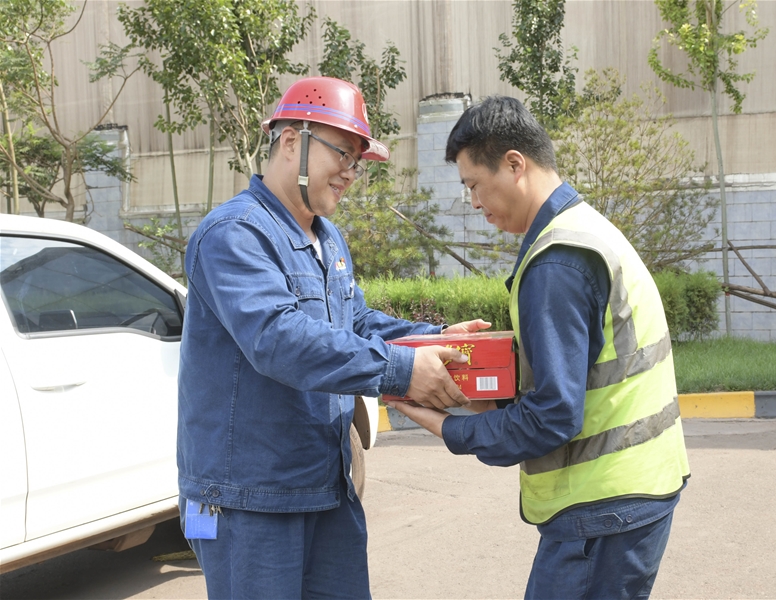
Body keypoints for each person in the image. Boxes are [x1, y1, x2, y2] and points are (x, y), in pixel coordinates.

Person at [177, 76, 490, 599]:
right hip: (249, 500)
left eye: (357, 161)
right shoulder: (234, 234)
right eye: (342, 153)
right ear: (291, 141)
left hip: (325, 485)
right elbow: (278, 339)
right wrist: (401, 370)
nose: (350, 172)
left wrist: (432, 339)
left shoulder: (326, 237)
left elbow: (355, 322)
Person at [386, 96, 691, 600]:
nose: (473, 202)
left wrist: (450, 427)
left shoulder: (556, 262)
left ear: (514, 164)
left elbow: (553, 415)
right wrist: (491, 394)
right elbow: (580, 378)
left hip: (601, 505)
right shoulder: (584, 229)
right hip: (633, 489)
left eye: (473, 185)